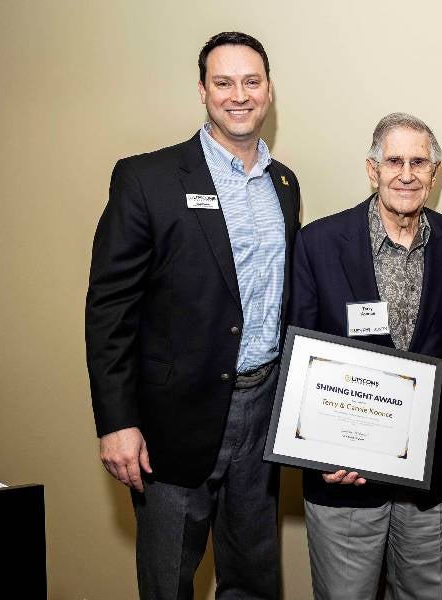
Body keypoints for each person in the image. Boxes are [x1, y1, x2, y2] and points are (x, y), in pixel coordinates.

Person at [85, 32, 300, 599]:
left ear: (269, 91)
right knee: (168, 581)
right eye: (223, 82)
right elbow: (110, 308)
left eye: (251, 82)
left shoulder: (284, 184)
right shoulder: (146, 179)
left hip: (263, 412)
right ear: (202, 91)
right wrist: (116, 422)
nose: (238, 95)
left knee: (252, 578)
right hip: (171, 423)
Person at [288, 112, 442, 600]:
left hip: (430, 481)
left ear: (436, 173)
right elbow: (300, 353)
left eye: (419, 162)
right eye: (394, 161)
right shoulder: (318, 243)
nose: (406, 174)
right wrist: (321, 454)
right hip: (345, 477)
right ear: (372, 170)